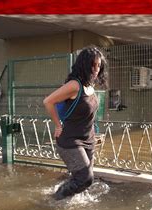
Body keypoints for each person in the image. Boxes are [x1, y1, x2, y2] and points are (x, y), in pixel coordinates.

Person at [43, 46, 108, 200]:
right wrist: (58, 125)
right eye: (93, 65)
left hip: (88, 140)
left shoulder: (90, 86)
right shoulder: (75, 85)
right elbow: (48, 102)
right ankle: (54, 200)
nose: (96, 69)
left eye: (99, 65)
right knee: (85, 178)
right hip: (70, 140)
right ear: (84, 64)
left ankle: (67, 200)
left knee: (83, 180)